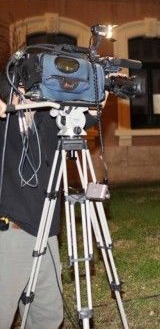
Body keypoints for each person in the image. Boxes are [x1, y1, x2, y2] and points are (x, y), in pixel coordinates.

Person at [0, 74, 65, 328]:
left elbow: (89, 113)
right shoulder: (4, 121)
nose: (28, 96)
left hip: (47, 235)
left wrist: (100, 86)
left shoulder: (51, 119)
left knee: (48, 316)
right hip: (10, 234)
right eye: (21, 90)